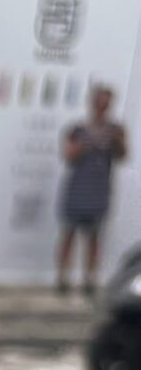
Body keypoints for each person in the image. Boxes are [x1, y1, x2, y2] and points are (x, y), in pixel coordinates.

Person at [57, 85, 128, 296]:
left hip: (99, 189)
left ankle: (89, 279)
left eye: (106, 102)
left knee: (94, 237)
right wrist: (84, 144)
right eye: (99, 101)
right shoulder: (78, 129)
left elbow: (123, 155)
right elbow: (69, 156)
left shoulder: (116, 130)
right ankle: (63, 278)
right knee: (68, 233)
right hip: (78, 187)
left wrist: (116, 140)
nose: (102, 106)